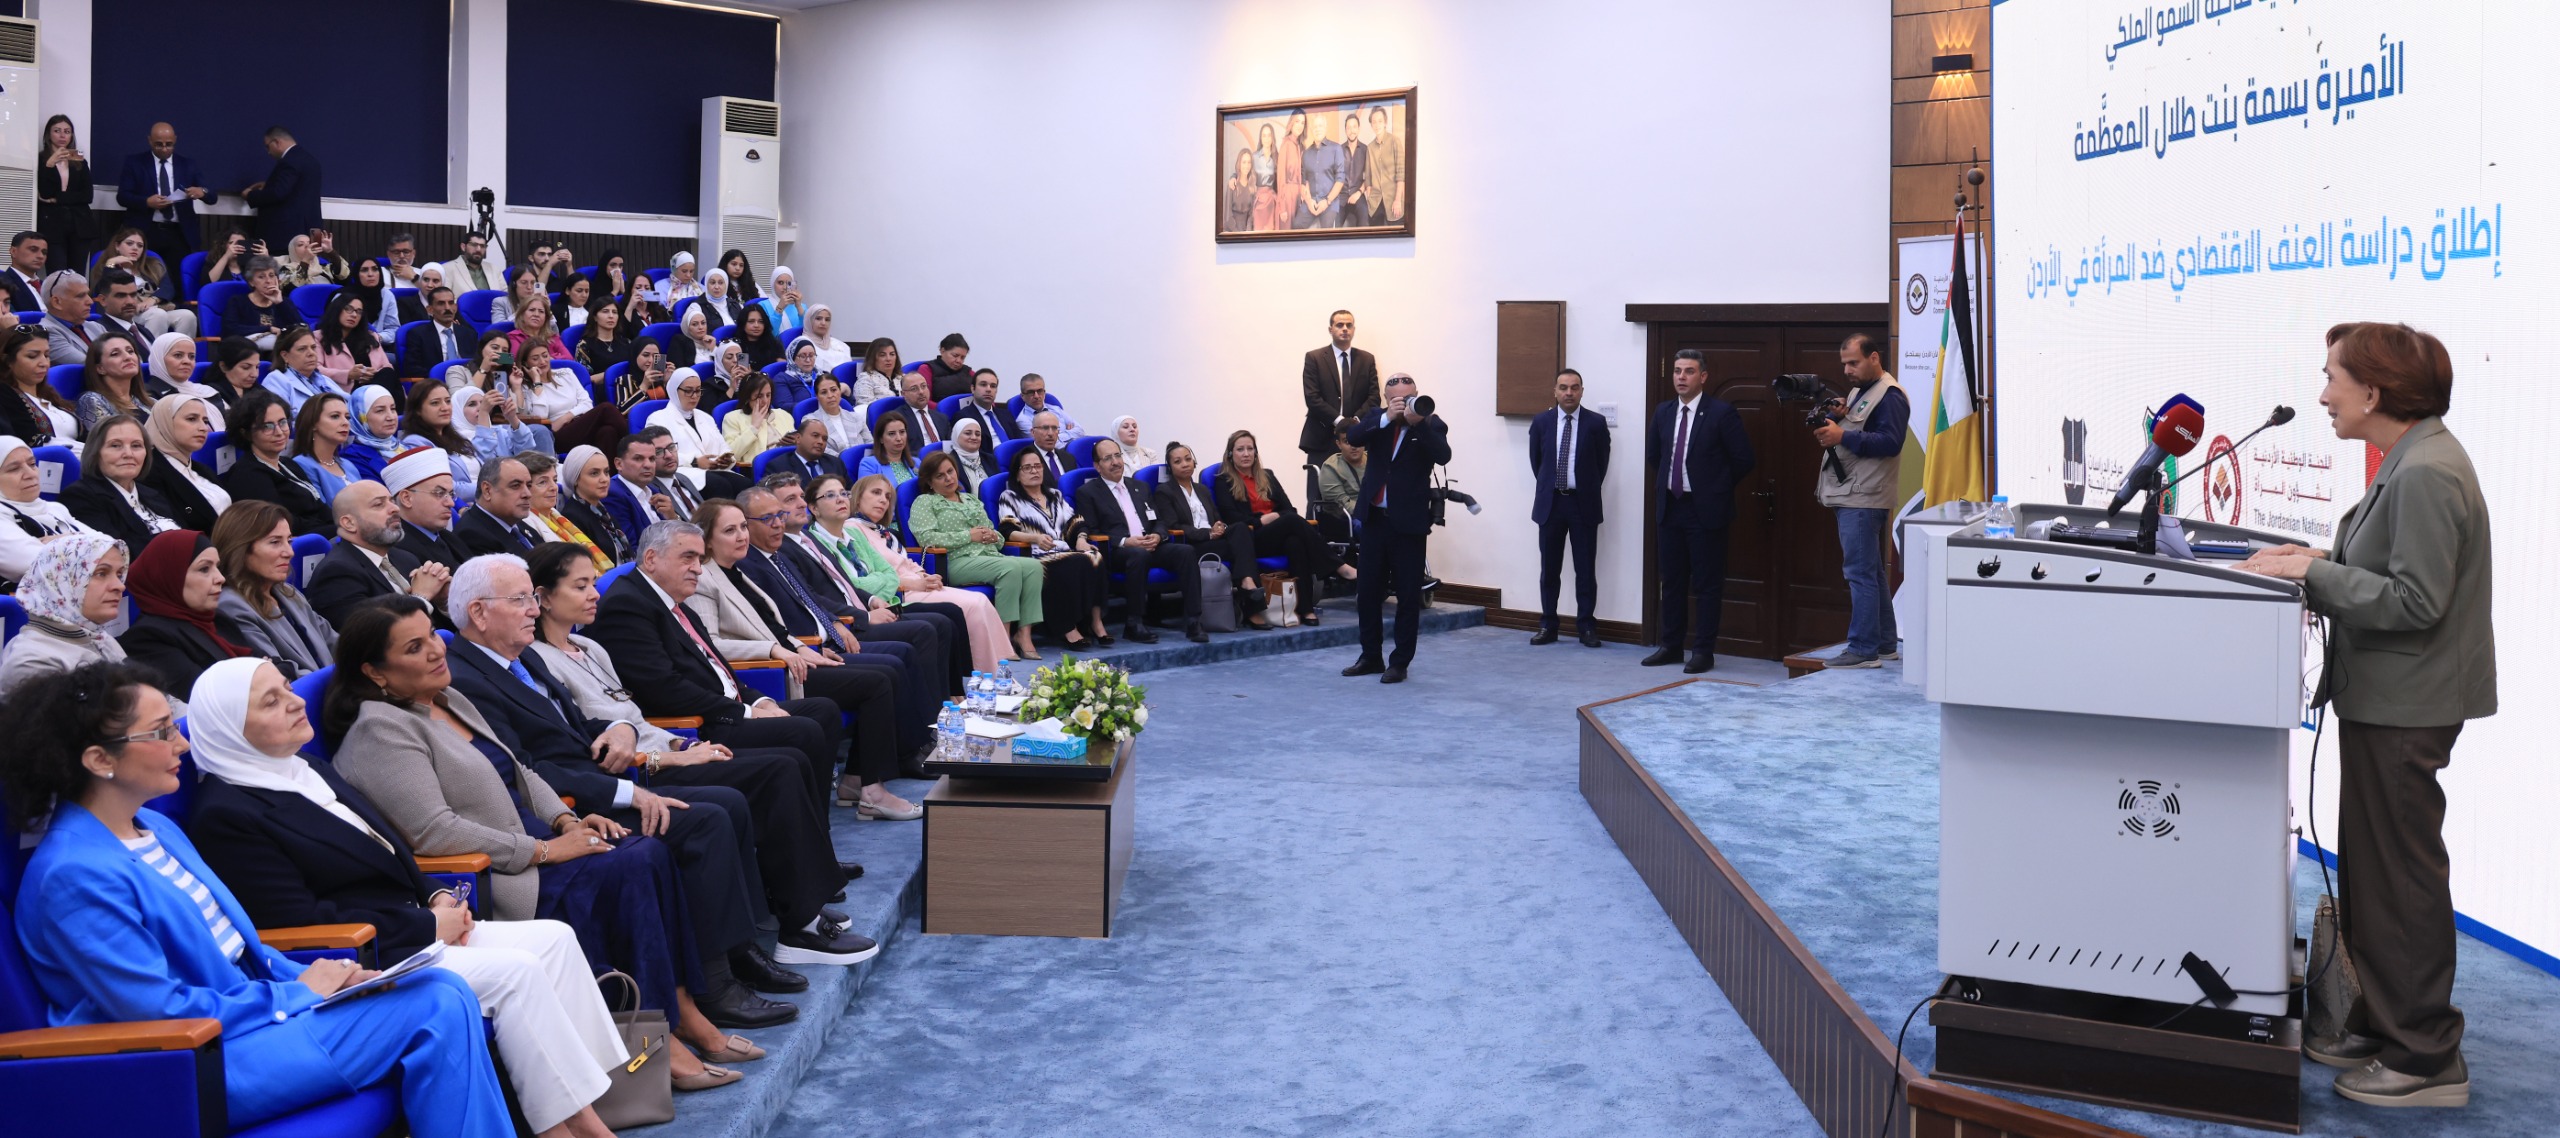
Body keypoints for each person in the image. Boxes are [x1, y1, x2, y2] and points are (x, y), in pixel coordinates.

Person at [0, 661, 518, 1137]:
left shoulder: (154, 826)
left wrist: (333, 979)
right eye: (161, 732)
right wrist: (298, 994)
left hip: (244, 1026)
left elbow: (240, 952)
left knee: (435, 988)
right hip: (190, 1061)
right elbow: (157, 1010)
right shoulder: (74, 874)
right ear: (99, 759)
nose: (182, 743)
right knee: (435, 1004)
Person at [183, 658, 641, 1133]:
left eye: (286, 688)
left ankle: (595, 1108)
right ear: (229, 729)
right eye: (271, 702)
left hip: (412, 922)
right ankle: (563, 1128)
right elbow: (297, 920)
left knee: (555, 940)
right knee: (517, 974)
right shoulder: (227, 815)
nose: (295, 701)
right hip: (366, 954)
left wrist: (437, 896)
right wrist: (426, 926)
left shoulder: (303, 768)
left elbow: (388, 846)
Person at [325, 597, 797, 1049]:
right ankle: (663, 1030)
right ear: (374, 672)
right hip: (500, 875)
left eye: (432, 634)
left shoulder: (446, 698)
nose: (435, 649)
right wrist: (546, 850)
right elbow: (436, 832)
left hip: (538, 837)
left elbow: (521, 771)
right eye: (414, 647)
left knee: (646, 853)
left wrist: (568, 820)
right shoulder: (379, 729)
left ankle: (682, 1013)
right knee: (633, 862)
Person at [2234, 322, 2495, 1108]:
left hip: (2408, 704)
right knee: (2376, 877)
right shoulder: (2410, 460)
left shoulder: (2426, 472)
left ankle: (2426, 1058)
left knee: (2400, 880)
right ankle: (2386, 1023)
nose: (2323, 395)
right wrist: (2311, 561)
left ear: (2374, 391)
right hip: (2389, 699)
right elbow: (2384, 568)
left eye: (2333, 379)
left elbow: (2416, 600)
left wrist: (2314, 579)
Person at [444, 552, 871, 972]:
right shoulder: (471, 679)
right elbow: (526, 771)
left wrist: (626, 731)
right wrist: (644, 772)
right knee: (731, 801)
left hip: (627, 762)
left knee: (770, 770)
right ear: (479, 613)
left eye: (531, 598)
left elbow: (589, 723)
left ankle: (781, 923)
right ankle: (734, 965)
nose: (532, 609)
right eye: (521, 600)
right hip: (589, 796)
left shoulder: (528, 658)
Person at [585, 520, 858, 816]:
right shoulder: (627, 605)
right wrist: (746, 712)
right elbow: (664, 689)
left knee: (822, 710)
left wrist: (760, 701)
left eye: (700, 559)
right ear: (651, 559)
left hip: (722, 706)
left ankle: (814, 823)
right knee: (802, 733)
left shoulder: (672, 599)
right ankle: (808, 828)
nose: (698, 569)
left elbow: (719, 670)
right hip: (698, 723)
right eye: (688, 558)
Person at [686, 497, 921, 813]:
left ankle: (858, 779)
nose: (741, 536)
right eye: (730, 530)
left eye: (742, 527)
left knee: (884, 674)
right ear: (707, 539)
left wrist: (802, 648)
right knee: (876, 682)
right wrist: (776, 650)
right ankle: (871, 790)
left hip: (790, 659)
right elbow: (710, 646)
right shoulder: (704, 579)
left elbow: (772, 628)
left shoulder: (736, 571)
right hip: (765, 673)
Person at [816, 471, 1016, 665]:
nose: (883, 500)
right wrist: (913, 583)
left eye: (887, 496)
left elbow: (903, 562)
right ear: (857, 498)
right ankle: (986, 669)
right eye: (876, 493)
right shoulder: (852, 528)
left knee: (978, 600)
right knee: (975, 603)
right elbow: (874, 573)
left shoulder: (886, 532)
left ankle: (998, 666)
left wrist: (924, 575)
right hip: (900, 592)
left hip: (916, 584)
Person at [1643, 349, 1755, 674]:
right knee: (1672, 581)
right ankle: (1671, 645)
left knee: (1706, 584)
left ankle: (1703, 651)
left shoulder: (1721, 413)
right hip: (1670, 507)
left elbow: (1743, 459)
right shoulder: (1663, 412)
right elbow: (1655, 457)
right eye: (1677, 371)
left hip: (1705, 511)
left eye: (1689, 371)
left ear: (1703, 376)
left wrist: (1714, 487)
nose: (1681, 377)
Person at [1342, 373, 1450, 683]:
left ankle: (1400, 662)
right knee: (1367, 593)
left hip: (1409, 524)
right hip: (1375, 521)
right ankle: (1370, 656)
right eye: (1397, 399)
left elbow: (1443, 455)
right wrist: (1387, 418)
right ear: (1387, 400)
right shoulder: (1377, 419)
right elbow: (1354, 437)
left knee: (1407, 595)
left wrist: (1419, 424)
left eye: (1410, 397)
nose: (1405, 404)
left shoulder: (1432, 423)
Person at [1812, 334, 1908, 668]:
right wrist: (1841, 417)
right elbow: (1862, 431)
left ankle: (1863, 649)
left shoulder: (1890, 395)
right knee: (1872, 573)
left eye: (1853, 362)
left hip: (1864, 497)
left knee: (1860, 574)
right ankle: (1883, 644)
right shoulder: (1859, 393)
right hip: (1854, 494)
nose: (1847, 370)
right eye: (1844, 364)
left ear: (1874, 358)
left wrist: (1842, 435)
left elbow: (1891, 442)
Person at [1076, 438, 1207, 644]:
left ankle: (1193, 620)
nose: (1115, 462)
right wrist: (1125, 541)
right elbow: (1092, 530)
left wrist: (1158, 535)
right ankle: (1134, 622)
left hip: (1150, 545)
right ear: (1097, 466)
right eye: (1108, 458)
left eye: (1117, 456)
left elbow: (1159, 521)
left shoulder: (1140, 486)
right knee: (1138, 555)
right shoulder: (1088, 492)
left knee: (1186, 552)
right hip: (1117, 551)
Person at [1217, 429, 1352, 624]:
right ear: (1231, 454)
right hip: (1250, 538)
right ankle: (1338, 566)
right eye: (1240, 449)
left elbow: (1290, 509)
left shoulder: (1267, 476)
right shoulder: (1223, 481)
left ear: (1256, 452)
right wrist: (1262, 520)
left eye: (1250, 449)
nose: (1246, 454)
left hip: (1276, 534)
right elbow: (1231, 517)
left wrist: (1275, 517)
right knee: (1291, 521)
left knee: (1295, 542)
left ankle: (1305, 608)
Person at [989, 452, 1110, 650]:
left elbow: (1076, 521)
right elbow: (1008, 530)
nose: (1034, 471)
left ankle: (1096, 622)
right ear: (1017, 474)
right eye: (1027, 468)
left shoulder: (1055, 495)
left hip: (1064, 550)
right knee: (1072, 563)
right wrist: (1035, 538)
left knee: (1095, 556)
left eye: (1038, 466)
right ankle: (1068, 628)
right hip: (1034, 554)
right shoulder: (1009, 497)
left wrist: (1081, 539)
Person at [1528, 368, 1610, 647]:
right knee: (1549, 570)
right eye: (1563, 387)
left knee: (1585, 570)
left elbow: (1601, 464)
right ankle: (1548, 625)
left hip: (1582, 504)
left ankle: (1586, 627)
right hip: (1551, 504)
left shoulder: (1596, 423)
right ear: (1555, 391)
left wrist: (1583, 487)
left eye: (1574, 387)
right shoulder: (1541, 422)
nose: (1569, 393)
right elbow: (1537, 462)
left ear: (1582, 391)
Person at [117, 529, 251, 697]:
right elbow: (209, 696)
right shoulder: (146, 639)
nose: (220, 578)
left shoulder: (216, 618)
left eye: (217, 567)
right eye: (204, 569)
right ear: (170, 576)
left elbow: (271, 665)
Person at [212, 501, 336, 679]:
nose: (289, 552)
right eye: (275, 542)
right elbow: (278, 675)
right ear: (240, 548)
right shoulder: (231, 606)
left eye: (289, 541)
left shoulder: (288, 593)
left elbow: (336, 643)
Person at [305, 479, 451, 628]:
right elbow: (368, 635)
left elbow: (437, 627)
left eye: (391, 501)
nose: (395, 508)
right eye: (379, 504)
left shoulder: (406, 558)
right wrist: (421, 597)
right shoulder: (336, 573)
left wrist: (443, 602)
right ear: (349, 523)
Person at [0, 533, 129, 698]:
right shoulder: (33, 663)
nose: (120, 586)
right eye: (101, 573)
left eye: (119, 575)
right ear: (60, 581)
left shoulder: (101, 638)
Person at [1154, 440, 1266, 629]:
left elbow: (1216, 517)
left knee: (1240, 528)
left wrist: (1219, 526)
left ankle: (1247, 582)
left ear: (1194, 461)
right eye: (1178, 461)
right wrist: (1208, 534)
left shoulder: (1202, 489)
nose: (1185, 464)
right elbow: (1174, 526)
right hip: (1193, 545)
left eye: (1188, 459)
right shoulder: (1164, 491)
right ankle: (1251, 601)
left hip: (1216, 540)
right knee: (1241, 548)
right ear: (1170, 467)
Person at [215, 389, 332, 536]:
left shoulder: (289, 464)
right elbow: (278, 523)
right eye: (267, 426)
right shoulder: (247, 475)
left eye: (282, 422)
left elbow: (320, 507)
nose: (279, 432)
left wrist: (337, 525)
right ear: (246, 433)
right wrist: (335, 530)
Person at [61, 415, 182, 556]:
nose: (128, 454)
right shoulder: (80, 497)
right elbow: (120, 554)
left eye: (136, 445)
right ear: (95, 452)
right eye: (115, 446)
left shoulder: (152, 494)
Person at [0, 435, 104, 586]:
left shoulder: (55, 508)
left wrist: (64, 541)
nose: (30, 474)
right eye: (14, 469)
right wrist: (83, 541)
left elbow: (112, 548)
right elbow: (44, 563)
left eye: (32, 464)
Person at [115, 122, 217, 263]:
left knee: (178, 275)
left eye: (169, 144)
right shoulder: (135, 163)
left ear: (175, 139)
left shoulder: (188, 165)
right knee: (144, 272)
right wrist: (146, 202)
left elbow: (212, 197)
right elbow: (122, 197)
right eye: (158, 144)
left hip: (180, 233)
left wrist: (202, 192)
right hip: (146, 231)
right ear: (149, 140)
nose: (164, 149)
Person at [138, 393, 230, 532]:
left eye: (205, 421)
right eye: (191, 419)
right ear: (165, 422)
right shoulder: (149, 474)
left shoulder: (200, 469)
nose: (203, 428)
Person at [384, 445, 472, 586]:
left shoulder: (446, 537)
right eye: (439, 493)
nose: (450, 503)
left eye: (451, 494)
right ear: (406, 498)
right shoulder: (398, 550)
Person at [1302, 309, 1379, 463]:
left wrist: (1355, 422)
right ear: (1330, 329)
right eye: (1339, 325)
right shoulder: (1314, 358)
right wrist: (1339, 421)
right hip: (1323, 435)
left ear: (1354, 329)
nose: (1345, 329)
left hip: (1359, 436)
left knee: (1359, 479)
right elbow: (1312, 397)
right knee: (1320, 478)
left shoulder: (1367, 359)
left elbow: (1374, 397)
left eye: (1349, 325)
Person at [519, 340, 619, 454]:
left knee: (608, 432)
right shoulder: (525, 388)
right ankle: (632, 442)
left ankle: (614, 465)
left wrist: (565, 418)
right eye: (535, 358)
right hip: (557, 436)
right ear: (526, 364)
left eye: (545, 356)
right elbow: (541, 417)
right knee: (606, 408)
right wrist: (537, 381)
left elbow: (587, 403)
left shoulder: (566, 373)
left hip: (581, 424)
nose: (542, 361)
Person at [401, 381, 488, 503]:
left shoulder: (456, 437)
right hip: (459, 505)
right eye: (435, 403)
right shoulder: (416, 443)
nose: (445, 408)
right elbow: (447, 487)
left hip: (484, 498)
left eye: (447, 401)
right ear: (417, 410)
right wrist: (491, 488)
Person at [648, 367, 735, 487]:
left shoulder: (706, 417)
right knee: (721, 485)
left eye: (698, 390)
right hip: (683, 472)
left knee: (745, 484)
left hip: (714, 470)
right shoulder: (657, 419)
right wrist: (695, 461)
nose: (694, 396)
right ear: (674, 390)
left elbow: (722, 446)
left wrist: (725, 459)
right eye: (688, 391)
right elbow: (657, 453)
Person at [240, 127, 323, 252]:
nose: (268, 152)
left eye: (267, 146)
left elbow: (278, 193)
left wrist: (250, 195)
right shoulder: (311, 161)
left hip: (287, 235)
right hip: (312, 230)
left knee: (284, 264)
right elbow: (298, 191)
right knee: (309, 263)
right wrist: (270, 185)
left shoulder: (289, 161)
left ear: (277, 142)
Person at [293, 392, 382, 504]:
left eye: (347, 417)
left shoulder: (348, 465)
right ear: (313, 423)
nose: (345, 423)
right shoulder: (301, 465)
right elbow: (319, 511)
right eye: (335, 416)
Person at [455, 456, 551, 557]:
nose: (527, 494)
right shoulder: (472, 535)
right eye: (515, 486)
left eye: (528, 486)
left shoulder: (514, 521)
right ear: (487, 491)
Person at [36, 116, 97, 271]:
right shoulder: (40, 160)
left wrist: (57, 198)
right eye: (57, 131)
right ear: (48, 134)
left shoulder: (79, 160)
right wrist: (50, 164)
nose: (62, 135)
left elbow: (87, 195)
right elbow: (45, 193)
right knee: (57, 272)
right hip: (52, 225)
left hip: (80, 225)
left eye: (67, 132)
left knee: (77, 274)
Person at [0, 324, 78, 444]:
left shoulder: (51, 396)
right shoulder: (4, 395)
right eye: (32, 356)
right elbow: (29, 440)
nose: (44, 363)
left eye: (46, 355)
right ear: (8, 360)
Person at [553, 444, 629, 566]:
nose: (604, 479)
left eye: (606, 472)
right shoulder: (572, 516)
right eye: (594, 473)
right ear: (575, 479)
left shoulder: (601, 511)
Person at [74, 332, 153, 435]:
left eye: (130, 351)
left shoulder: (148, 401)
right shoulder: (92, 400)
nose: (127, 357)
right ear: (100, 368)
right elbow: (110, 439)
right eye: (115, 354)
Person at [315, 290, 392, 390]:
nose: (354, 315)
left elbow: (387, 366)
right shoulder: (319, 337)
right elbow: (315, 370)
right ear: (337, 310)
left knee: (388, 373)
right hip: (343, 391)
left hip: (376, 387)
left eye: (359, 312)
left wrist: (374, 375)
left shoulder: (371, 337)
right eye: (348, 309)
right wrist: (348, 374)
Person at [147, 332, 226, 428]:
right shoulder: (149, 396)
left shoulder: (206, 392)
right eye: (178, 355)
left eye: (191, 356)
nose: (187, 361)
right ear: (159, 358)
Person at [223, 256, 299, 353]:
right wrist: (268, 329)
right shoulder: (238, 302)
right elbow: (230, 329)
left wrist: (280, 303)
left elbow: (301, 329)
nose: (268, 281)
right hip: (246, 353)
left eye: (271, 275)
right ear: (251, 282)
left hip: (280, 354)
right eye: (261, 277)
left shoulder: (284, 302)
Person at [401, 286, 479, 378]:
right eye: (441, 303)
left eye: (451, 303)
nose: (447, 308)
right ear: (430, 309)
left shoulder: (469, 334)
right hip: (436, 382)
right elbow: (413, 369)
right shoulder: (418, 334)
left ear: (456, 307)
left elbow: (478, 363)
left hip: (468, 381)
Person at [261, 326, 337, 413]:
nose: (311, 353)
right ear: (285, 356)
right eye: (302, 349)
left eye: (313, 347)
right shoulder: (275, 381)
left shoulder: (324, 380)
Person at [1315, 417, 1366, 541]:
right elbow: (1343, 505)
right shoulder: (1331, 468)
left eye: (1357, 439)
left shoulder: (1375, 460)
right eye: (1347, 441)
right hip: (1347, 518)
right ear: (1339, 444)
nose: (1354, 446)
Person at [723, 372, 796, 459]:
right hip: (760, 466)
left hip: (789, 462)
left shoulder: (783, 414)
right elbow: (730, 456)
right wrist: (754, 427)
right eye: (759, 396)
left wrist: (797, 442)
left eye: (768, 395)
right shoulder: (732, 418)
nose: (765, 401)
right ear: (747, 397)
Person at [41, 269, 103, 367]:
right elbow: (90, 366)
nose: (90, 302)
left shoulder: (96, 327)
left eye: (88, 294)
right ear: (57, 302)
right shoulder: (45, 333)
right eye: (80, 296)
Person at [203, 337, 268, 425]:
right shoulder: (211, 395)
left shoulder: (260, 391)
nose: (255, 374)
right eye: (246, 367)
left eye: (257, 367)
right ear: (224, 366)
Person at [772, 415, 848, 485]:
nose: (821, 442)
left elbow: (849, 492)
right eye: (815, 435)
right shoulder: (778, 467)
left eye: (824, 439)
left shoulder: (836, 464)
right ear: (798, 438)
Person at [808, 371, 869, 454]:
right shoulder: (810, 422)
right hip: (834, 462)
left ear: (840, 391)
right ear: (817, 396)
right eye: (824, 392)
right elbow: (821, 451)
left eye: (833, 390)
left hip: (864, 460)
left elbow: (871, 445)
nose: (830, 395)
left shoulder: (856, 418)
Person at [348, 382, 407, 466]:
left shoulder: (400, 446)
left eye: (393, 409)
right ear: (361, 417)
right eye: (380, 411)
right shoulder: (354, 457)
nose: (391, 417)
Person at [577, 296, 639, 375]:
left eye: (614, 312)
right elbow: (583, 378)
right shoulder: (585, 345)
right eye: (605, 311)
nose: (611, 316)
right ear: (595, 317)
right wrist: (613, 373)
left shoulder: (627, 342)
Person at [952, 368, 1015, 446]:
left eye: (993, 386)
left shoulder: (1006, 414)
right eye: (983, 385)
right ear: (973, 389)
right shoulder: (964, 417)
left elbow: (1018, 441)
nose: (988, 389)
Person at [1367, 105, 1406, 225]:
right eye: (1374, 122)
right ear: (1371, 125)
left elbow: (1401, 175)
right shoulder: (1370, 148)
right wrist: (1369, 198)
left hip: (1393, 201)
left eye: (1380, 121)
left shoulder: (1395, 141)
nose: (1377, 125)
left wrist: (1398, 200)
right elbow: (1368, 177)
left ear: (1385, 122)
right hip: (1375, 203)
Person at [1013, 373, 1083, 438]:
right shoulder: (1023, 420)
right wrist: (1068, 432)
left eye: (1039, 391)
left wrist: (1058, 436)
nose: (1036, 396)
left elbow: (1080, 431)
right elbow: (1044, 442)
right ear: (1022, 396)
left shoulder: (1056, 409)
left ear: (1044, 392)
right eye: (1031, 392)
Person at [507, 294, 571, 361]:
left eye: (541, 311)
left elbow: (569, 358)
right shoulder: (513, 337)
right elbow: (515, 360)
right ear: (522, 314)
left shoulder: (552, 337)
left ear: (546, 318)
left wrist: (550, 358)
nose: (536, 314)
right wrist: (552, 357)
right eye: (532, 310)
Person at [859, 414, 919, 485]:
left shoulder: (917, 462)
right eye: (892, 434)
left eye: (902, 432)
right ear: (881, 439)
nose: (899, 438)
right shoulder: (869, 464)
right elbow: (869, 491)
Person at [1025, 409, 1077, 486]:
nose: (1050, 433)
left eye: (1054, 428)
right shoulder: (1024, 459)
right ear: (1033, 432)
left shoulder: (1069, 458)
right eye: (1045, 428)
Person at [276, 232, 347, 287]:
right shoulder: (286, 269)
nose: (307, 246)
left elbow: (345, 275)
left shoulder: (323, 267)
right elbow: (290, 288)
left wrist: (330, 251)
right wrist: (306, 261)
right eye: (300, 244)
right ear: (293, 250)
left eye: (310, 243)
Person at [438, 232, 498, 298]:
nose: (478, 249)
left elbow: (505, 296)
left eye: (482, 246)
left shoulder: (494, 269)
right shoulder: (447, 268)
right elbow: (444, 299)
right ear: (463, 247)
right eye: (474, 245)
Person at [727, 306, 785, 372]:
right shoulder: (737, 346)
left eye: (761, 321)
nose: (756, 325)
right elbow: (742, 371)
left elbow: (781, 367)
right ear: (743, 323)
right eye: (751, 321)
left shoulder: (773, 343)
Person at [0, 230, 47, 311]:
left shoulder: (47, 287)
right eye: (33, 249)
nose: (41, 256)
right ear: (13, 251)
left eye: (44, 252)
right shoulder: (3, 283)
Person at [773, 337, 824, 409]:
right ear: (792, 358)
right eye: (802, 356)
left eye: (811, 355)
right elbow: (783, 406)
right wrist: (814, 405)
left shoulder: (822, 375)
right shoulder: (782, 379)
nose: (808, 360)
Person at [802, 304, 853, 373]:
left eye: (827, 320)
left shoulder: (841, 345)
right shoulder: (801, 344)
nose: (823, 323)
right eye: (818, 318)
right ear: (809, 320)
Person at [852, 338, 903, 405]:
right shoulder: (865, 379)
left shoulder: (903, 378)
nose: (888, 359)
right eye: (882, 355)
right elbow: (865, 407)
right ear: (873, 358)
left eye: (892, 354)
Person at [670, 304, 721, 372]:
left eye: (703, 323)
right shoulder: (679, 341)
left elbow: (724, 368)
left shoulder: (711, 340)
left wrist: (713, 349)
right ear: (687, 327)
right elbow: (680, 370)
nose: (700, 327)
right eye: (694, 324)